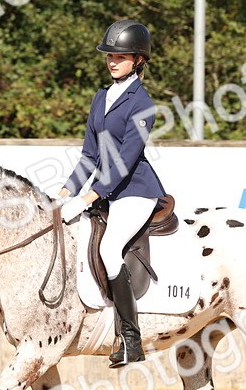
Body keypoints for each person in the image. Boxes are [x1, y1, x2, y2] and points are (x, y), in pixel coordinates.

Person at [57, 19, 168, 368]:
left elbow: (125, 159)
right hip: (106, 192)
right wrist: (65, 193)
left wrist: (88, 197)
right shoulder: (101, 97)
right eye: (109, 55)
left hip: (135, 191)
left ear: (138, 59)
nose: (112, 61)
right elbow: (90, 155)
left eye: (120, 56)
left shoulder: (142, 103)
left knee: (108, 247)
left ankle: (131, 339)